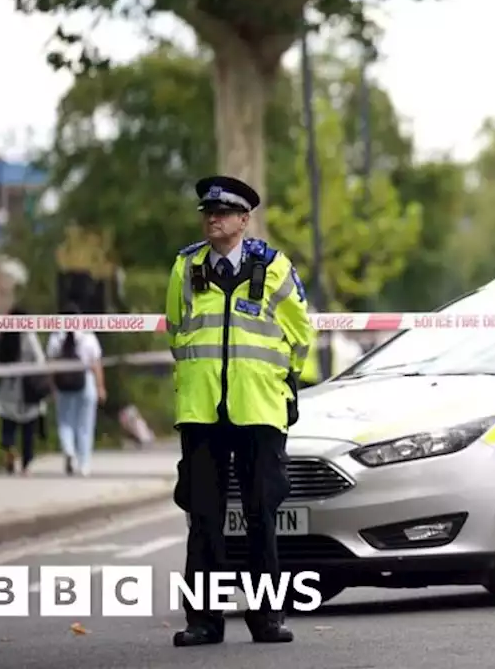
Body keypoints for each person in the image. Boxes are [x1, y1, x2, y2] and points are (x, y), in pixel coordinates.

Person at [167, 175, 316, 647]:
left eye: (224, 212)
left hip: (258, 410)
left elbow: (301, 335)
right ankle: (203, 621)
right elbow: (176, 330)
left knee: (260, 516)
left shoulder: (275, 268)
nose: (214, 218)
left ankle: (266, 618)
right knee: (204, 517)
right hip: (202, 411)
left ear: (244, 220)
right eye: (208, 212)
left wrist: (279, 381)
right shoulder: (185, 267)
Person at [46, 305, 107, 476]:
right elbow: (96, 364)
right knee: (85, 425)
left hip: (63, 382)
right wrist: (100, 386)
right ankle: (84, 464)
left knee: (65, 421)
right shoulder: (88, 336)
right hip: (85, 381)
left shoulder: (56, 336)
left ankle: (69, 451)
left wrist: (52, 387)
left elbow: (51, 365)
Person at [0, 305, 50, 475]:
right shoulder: (28, 337)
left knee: (7, 425)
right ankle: (25, 465)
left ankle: (9, 448)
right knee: (28, 429)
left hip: (6, 388)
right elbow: (40, 361)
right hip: (27, 389)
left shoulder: (1, 337)